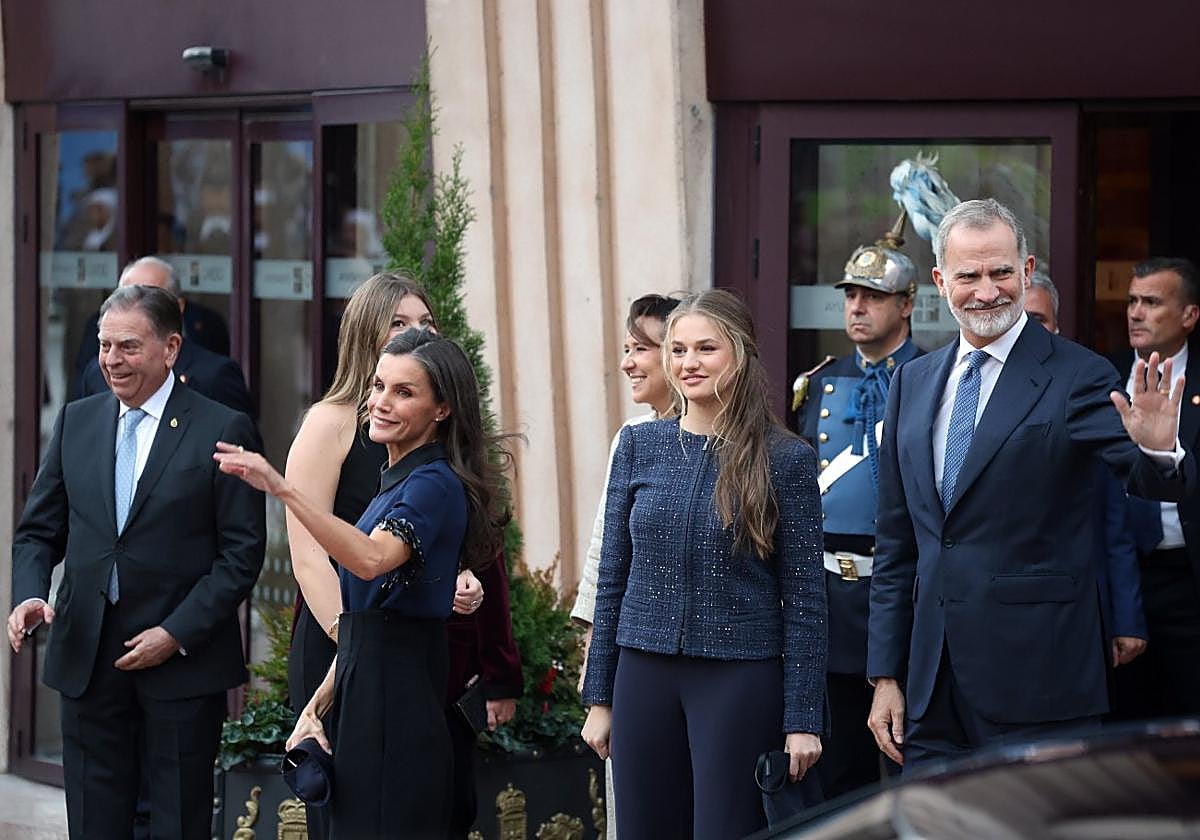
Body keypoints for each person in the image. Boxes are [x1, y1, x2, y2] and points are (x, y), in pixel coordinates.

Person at [866, 199, 1192, 770]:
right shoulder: (913, 382)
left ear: (1026, 268)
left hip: (1038, 681)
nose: (986, 291)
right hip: (928, 691)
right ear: (942, 280)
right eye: (969, 275)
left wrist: (1158, 447)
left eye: (1000, 272)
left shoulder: (1078, 374)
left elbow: (1142, 478)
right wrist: (886, 674)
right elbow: (898, 543)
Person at [214, 329, 512, 838]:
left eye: (404, 392)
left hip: (397, 707)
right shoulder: (395, 480)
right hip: (367, 693)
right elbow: (364, 628)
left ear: (442, 410)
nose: (381, 403)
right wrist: (314, 708)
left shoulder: (434, 484)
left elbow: (372, 560)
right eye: (378, 387)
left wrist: (284, 489)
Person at [7, 285, 265, 839]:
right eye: (104, 346)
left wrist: (175, 632)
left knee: (177, 822)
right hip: (89, 660)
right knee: (95, 822)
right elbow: (37, 531)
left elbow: (241, 554)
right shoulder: (78, 420)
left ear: (170, 348)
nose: (111, 360)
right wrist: (29, 594)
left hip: (180, 665)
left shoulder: (221, 428)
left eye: (127, 346)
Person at [581, 288, 826, 839]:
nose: (689, 363)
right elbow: (612, 578)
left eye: (706, 349)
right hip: (642, 673)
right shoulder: (639, 446)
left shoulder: (786, 458)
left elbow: (807, 598)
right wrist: (599, 696)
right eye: (678, 349)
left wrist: (803, 720)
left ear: (739, 354)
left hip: (739, 678)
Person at [283, 272, 517, 840]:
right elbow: (311, 555)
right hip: (345, 636)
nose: (416, 334)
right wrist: (349, 642)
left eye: (425, 324)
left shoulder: (431, 463)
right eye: (399, 324)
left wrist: (458, 579)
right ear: (368, 334)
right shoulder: (334, 423)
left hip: (392, 652)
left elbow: (410, 542)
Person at [795, 230, 919, 798]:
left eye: (872, 295)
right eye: (850, 295)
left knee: (910, 766)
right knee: (838, 770)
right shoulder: (820, 382)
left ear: (908, 304)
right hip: (830, 597)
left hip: (904, 592)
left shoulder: (934, 376)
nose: (857, 307)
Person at [571, 292, 681, 839]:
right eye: (625, 348)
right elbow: (607, 556)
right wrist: (597, 656)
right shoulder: (633, 438)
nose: (627, 362)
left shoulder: (742, 443)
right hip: (634, 657)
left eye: (642, 348)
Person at [1023, 269, 1148, 672]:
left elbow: (1114, 522)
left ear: (1058, 326)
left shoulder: (1083, 392)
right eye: (1019, 320)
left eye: (1039, 320)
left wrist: (1126, 617)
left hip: (1072, 614)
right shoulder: (967, 388)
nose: (1029, 332)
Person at [1109, 257, 1200, 719]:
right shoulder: (1100, 377)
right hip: (1116, 577)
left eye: (1151, 302)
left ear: (1189, 315)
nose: (1135, 312)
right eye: (1131, 301)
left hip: (1186, 578)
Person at [77, 257, 253, 419]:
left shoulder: (215, 378)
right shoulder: (96, 374)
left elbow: (241, 450)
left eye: (149, 301)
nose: (133, 309)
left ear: (179, 307)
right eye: (123, 298)